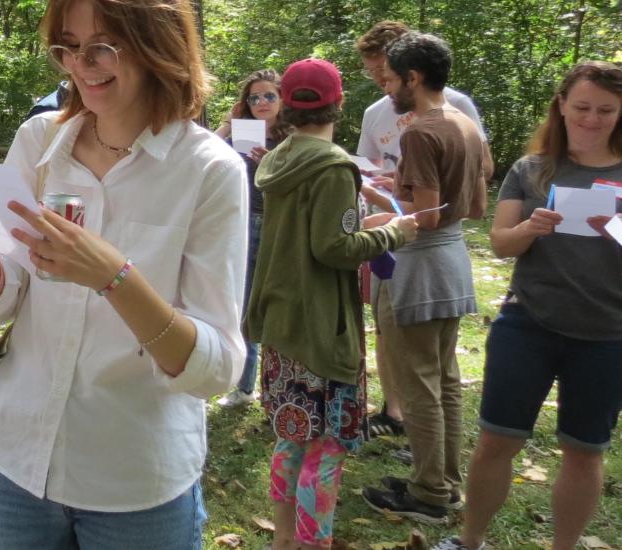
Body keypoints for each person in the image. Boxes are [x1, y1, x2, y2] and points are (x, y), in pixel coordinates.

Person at [0, 0, 247, 546]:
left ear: (158, 46)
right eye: (68, 47)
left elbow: (216, 369)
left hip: (134, 479)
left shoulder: (210, 171)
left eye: (103, 44)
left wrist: (115, 278)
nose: (83, 63)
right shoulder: (39, 143)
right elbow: (3, 303)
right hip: (16, 458)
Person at [431, 61, 622, 550]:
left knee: (583, 451)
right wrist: (530, 229)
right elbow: (499, 244)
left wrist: (615, 229)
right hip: (528, 325)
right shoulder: (532, 169)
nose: (592, 119)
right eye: (581, 107)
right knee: (497, 440)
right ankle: (470, 540)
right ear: (561, 106)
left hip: (607, 334)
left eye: (605, 110)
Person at [246, 58, 418, 550]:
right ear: (338, 104)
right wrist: (393, 232)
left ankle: (283, 540)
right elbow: (335, 249)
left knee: (289, 437)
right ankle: (312, 544)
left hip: (281, 321)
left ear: (286, 108)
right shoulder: (333, 167)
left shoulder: (277, 159)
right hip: (324, 330)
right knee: (325, 449)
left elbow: (313, 236)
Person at [359, 31, 492, 525]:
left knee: (417, 384)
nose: (387, 86)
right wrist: (403, 184)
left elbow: (425, 215)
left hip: (418, 266)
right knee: (445, 380)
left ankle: (430, 493)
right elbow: (472, 202)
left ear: (413, 78)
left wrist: (371, 195)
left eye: (392, 77)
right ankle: (442, 480)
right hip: (454, 261)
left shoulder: (418, 130)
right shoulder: (464, 122)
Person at [214, 68, 289, 409]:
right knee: (242, 304)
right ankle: (245, 388)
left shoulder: (295, 137)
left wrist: (271, 163)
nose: (261, 102)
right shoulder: (243, 132)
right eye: (253, 97)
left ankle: (280, 387)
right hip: (242, 222)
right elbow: (208, 154)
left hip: (278, 224)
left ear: (283, 99)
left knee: (274, 305)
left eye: (269, 96)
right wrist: (229, 123)